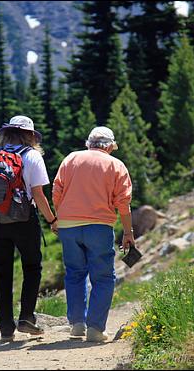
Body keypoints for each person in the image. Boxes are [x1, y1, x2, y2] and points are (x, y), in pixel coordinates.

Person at [0, 115, 58, 342]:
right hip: (24, 221)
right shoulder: (32, 156)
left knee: (1, 273)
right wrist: (52, 220)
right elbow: (38, 194)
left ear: (7, 133)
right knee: (32, 267)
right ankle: (27, 318)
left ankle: (5, 327)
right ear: (30, 135)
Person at [52, 126, 136, 342]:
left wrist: (60, 217)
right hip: (99, 226)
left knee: (74, 273)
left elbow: (56, 191)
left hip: (68, 225)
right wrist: (128, 232)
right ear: (109, 146)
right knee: (103, 277)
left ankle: (77, 325)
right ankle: (96, 329)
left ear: (89, 143)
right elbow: (124, 203)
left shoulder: (71, 159)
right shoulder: (116, 165)